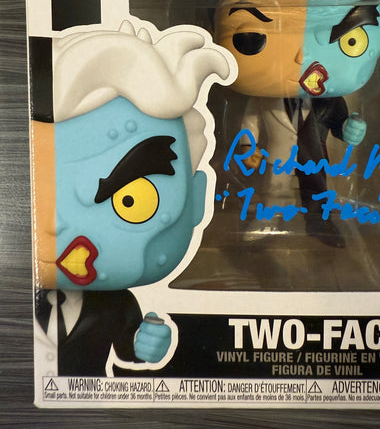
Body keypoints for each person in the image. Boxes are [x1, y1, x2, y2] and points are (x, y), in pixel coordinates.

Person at [32, 20, 234, 376]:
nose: (54, 225)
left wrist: (149, 344)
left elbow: (131, 348)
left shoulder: (116, 305)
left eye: (132, 200)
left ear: (197, 200)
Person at [215, 0, 380, 247]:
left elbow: (338, 121)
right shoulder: (263, 98)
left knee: (318, 189)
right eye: (252, 37)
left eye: (351, 41)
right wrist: (247, 146)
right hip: (277, 156)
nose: (301, 58)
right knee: (274, 188)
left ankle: (319, 223)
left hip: (315, 157)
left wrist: (350, 129)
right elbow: (249, 123)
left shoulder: (328, 100)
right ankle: (268, 220)